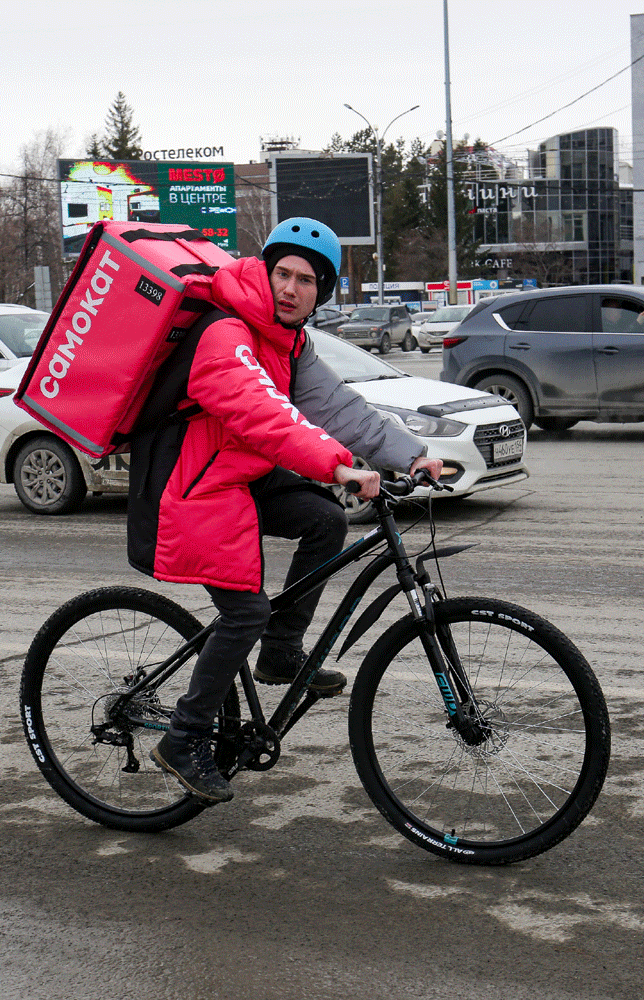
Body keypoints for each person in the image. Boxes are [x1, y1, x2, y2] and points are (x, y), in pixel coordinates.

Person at [126, 217, 443, 803]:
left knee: (324, 520)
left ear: (322, 293)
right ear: (266, 273)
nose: (292, 288)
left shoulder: (288, 343)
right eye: (283, 274)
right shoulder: (227, 333)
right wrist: (338, 466)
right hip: (193, 485)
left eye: (307, 280)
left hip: (238, 475)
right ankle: (184, 736)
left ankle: (280, 651)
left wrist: (413, 452)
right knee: (242, 611)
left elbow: (342, 410)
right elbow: (260, 413)